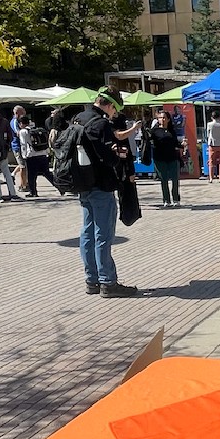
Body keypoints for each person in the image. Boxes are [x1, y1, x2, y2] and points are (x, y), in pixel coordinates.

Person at [74, 89, 138, 297]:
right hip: (101, 185)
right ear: (110, 105)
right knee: (103, 234)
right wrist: (118, 156)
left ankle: (91, 280)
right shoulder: (100, 123)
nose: (114, 115)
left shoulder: (78, 118)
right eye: (115, 110)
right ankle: (108, 282)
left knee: (87, 233)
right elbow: (108, 158)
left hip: (82, 184)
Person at [18, 114, 58, 197]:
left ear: (21, 123)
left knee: (31, 175)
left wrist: (24, 156)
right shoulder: (36, 129)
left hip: (31, 155)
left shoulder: (23, 132)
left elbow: (23, 144)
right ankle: (60, 187)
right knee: (47, 173)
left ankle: (33, 192)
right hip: (42, 153)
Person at [150, 110, 183, 208]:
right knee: (163, 180)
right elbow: (149, 141)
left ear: (168, 119)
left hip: (173, 157)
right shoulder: (154, 131)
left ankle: (176, 199)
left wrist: (182, 145)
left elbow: (175, 143)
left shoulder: (171, 130)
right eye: (160, 118)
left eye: (164, 118)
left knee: (175, 179)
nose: (162, 120)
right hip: (160, 158)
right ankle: (166, 200)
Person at [205, 110, 220, 182]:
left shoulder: (209, 124)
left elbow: (208, 135)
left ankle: (211, 178)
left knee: (211, 161)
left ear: (212, 117)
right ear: (219, 117)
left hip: (212, 144)